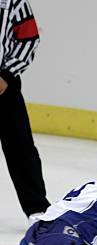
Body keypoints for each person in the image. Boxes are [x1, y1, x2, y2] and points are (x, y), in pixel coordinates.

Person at [0, 0, 50, 220]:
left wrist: (7, 76)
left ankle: (36, 208)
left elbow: (29, 38)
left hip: (4, 89)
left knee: (21, 148)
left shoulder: (14, 2)